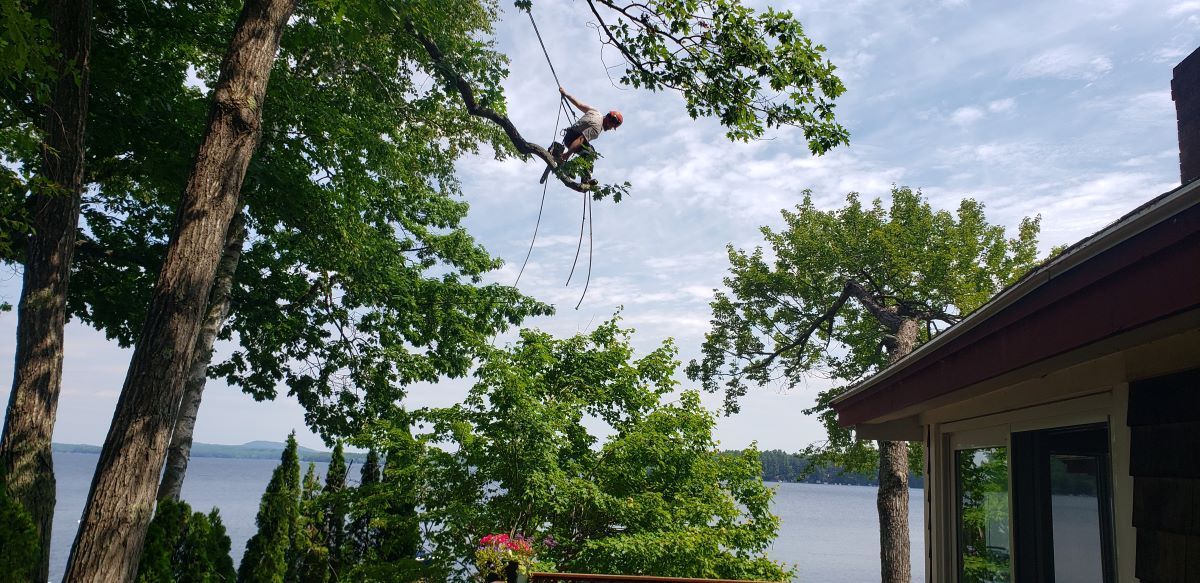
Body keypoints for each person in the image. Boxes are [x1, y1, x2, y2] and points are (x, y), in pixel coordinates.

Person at [541, 87, 623, 184]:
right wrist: (567, 154)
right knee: (590, 153)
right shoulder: (596, 128)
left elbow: (578, 104)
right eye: (612, 127)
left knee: (589, 148)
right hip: (572, 139)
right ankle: (585, 178)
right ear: (610, 122)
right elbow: (580, 139)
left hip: (570, 135)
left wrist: (565, 94)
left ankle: (569, 167)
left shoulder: (596, 112)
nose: (610, 129)